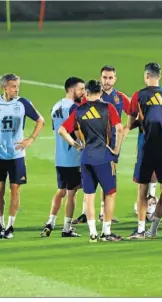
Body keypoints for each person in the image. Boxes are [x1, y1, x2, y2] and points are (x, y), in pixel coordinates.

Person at [59, 79, 124, 242]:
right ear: (101, 92)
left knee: (89, 195)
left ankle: (93, 233)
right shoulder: (108, 108)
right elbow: (120, 129)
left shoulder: (79, 110)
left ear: (87, 93)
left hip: (86, 157)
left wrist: (76, 144)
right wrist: (116, 150)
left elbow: (62, 130)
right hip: (103, 157)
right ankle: (106, 232)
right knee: (110, 194)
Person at [126, 63, 162, 240]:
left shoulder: (138, 95)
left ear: (146, 76)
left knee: (142, 190)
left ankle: (141, 231)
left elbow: (129, 124)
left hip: (146, 146)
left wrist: (142, 121)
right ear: (159, 76)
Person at [0, 73, 45, 239]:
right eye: (13, 86)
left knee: (15, 190)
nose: (16, 89)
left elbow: (41, 120)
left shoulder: (23, 103)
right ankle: (0, 223)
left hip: (17, 155)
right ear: (4, 87)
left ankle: (10, 226)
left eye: (17, 86)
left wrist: (30, 139)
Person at [73, 65, 130, 225]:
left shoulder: (120, 98)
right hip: (94, 144)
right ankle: (86, 213)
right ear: (100, 78)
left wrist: (124, 131)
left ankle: (104, 214)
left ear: (115, 79)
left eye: (110, 77)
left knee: (107, 181)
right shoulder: (91, 96)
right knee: (90, 180)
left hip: (111, 144)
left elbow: (134, 113)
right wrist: (83, 140)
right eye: (104, 77)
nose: (107, 81)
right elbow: (78, 119)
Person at [40, 77, 85, 238]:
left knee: (61, 190)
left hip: (59, 156)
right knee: (72, 193)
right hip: (73, 156)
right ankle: (66, 228)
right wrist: (82, 144)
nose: (83, 92)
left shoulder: (56, 106)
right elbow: (76, 131)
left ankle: (50, 222)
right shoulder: (74, 108)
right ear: (72, 90)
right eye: (81, 89)